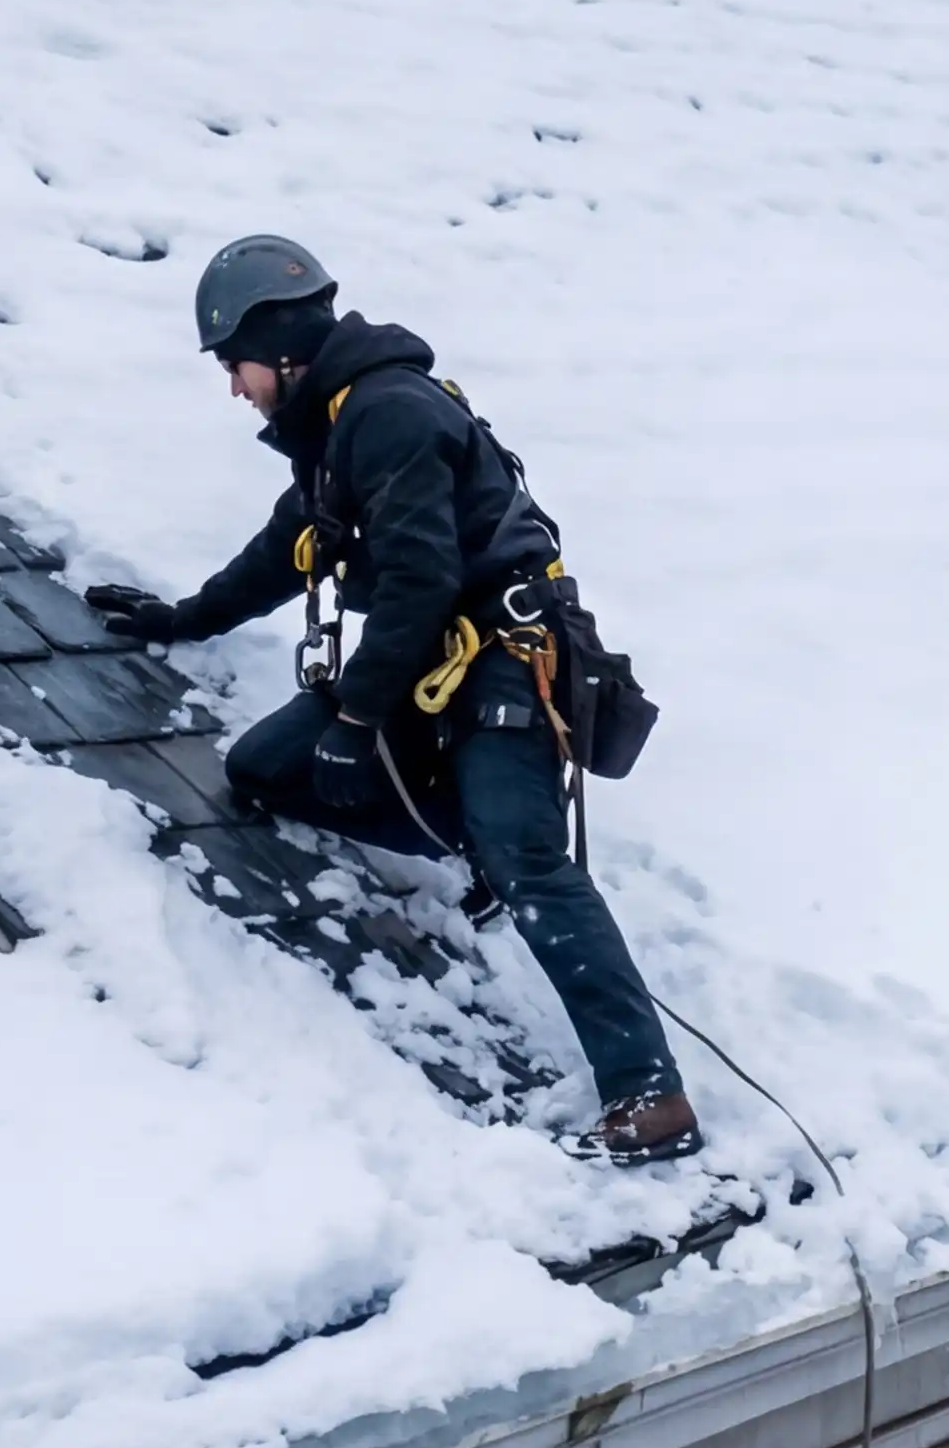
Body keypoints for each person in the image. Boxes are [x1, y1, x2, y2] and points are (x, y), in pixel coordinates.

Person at [86, 235, 700, 1164]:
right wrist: (184, 618)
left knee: (529, 856)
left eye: (235, 366)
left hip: (502, 662)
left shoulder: (391, 414)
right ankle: (476, 840)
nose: (235, 388)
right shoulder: (339, 427)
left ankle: (649, 1096)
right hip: (428, 665)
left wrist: (362, 719)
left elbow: (420, 577)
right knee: (265, 767)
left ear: (279, 346)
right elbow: (287, 547)